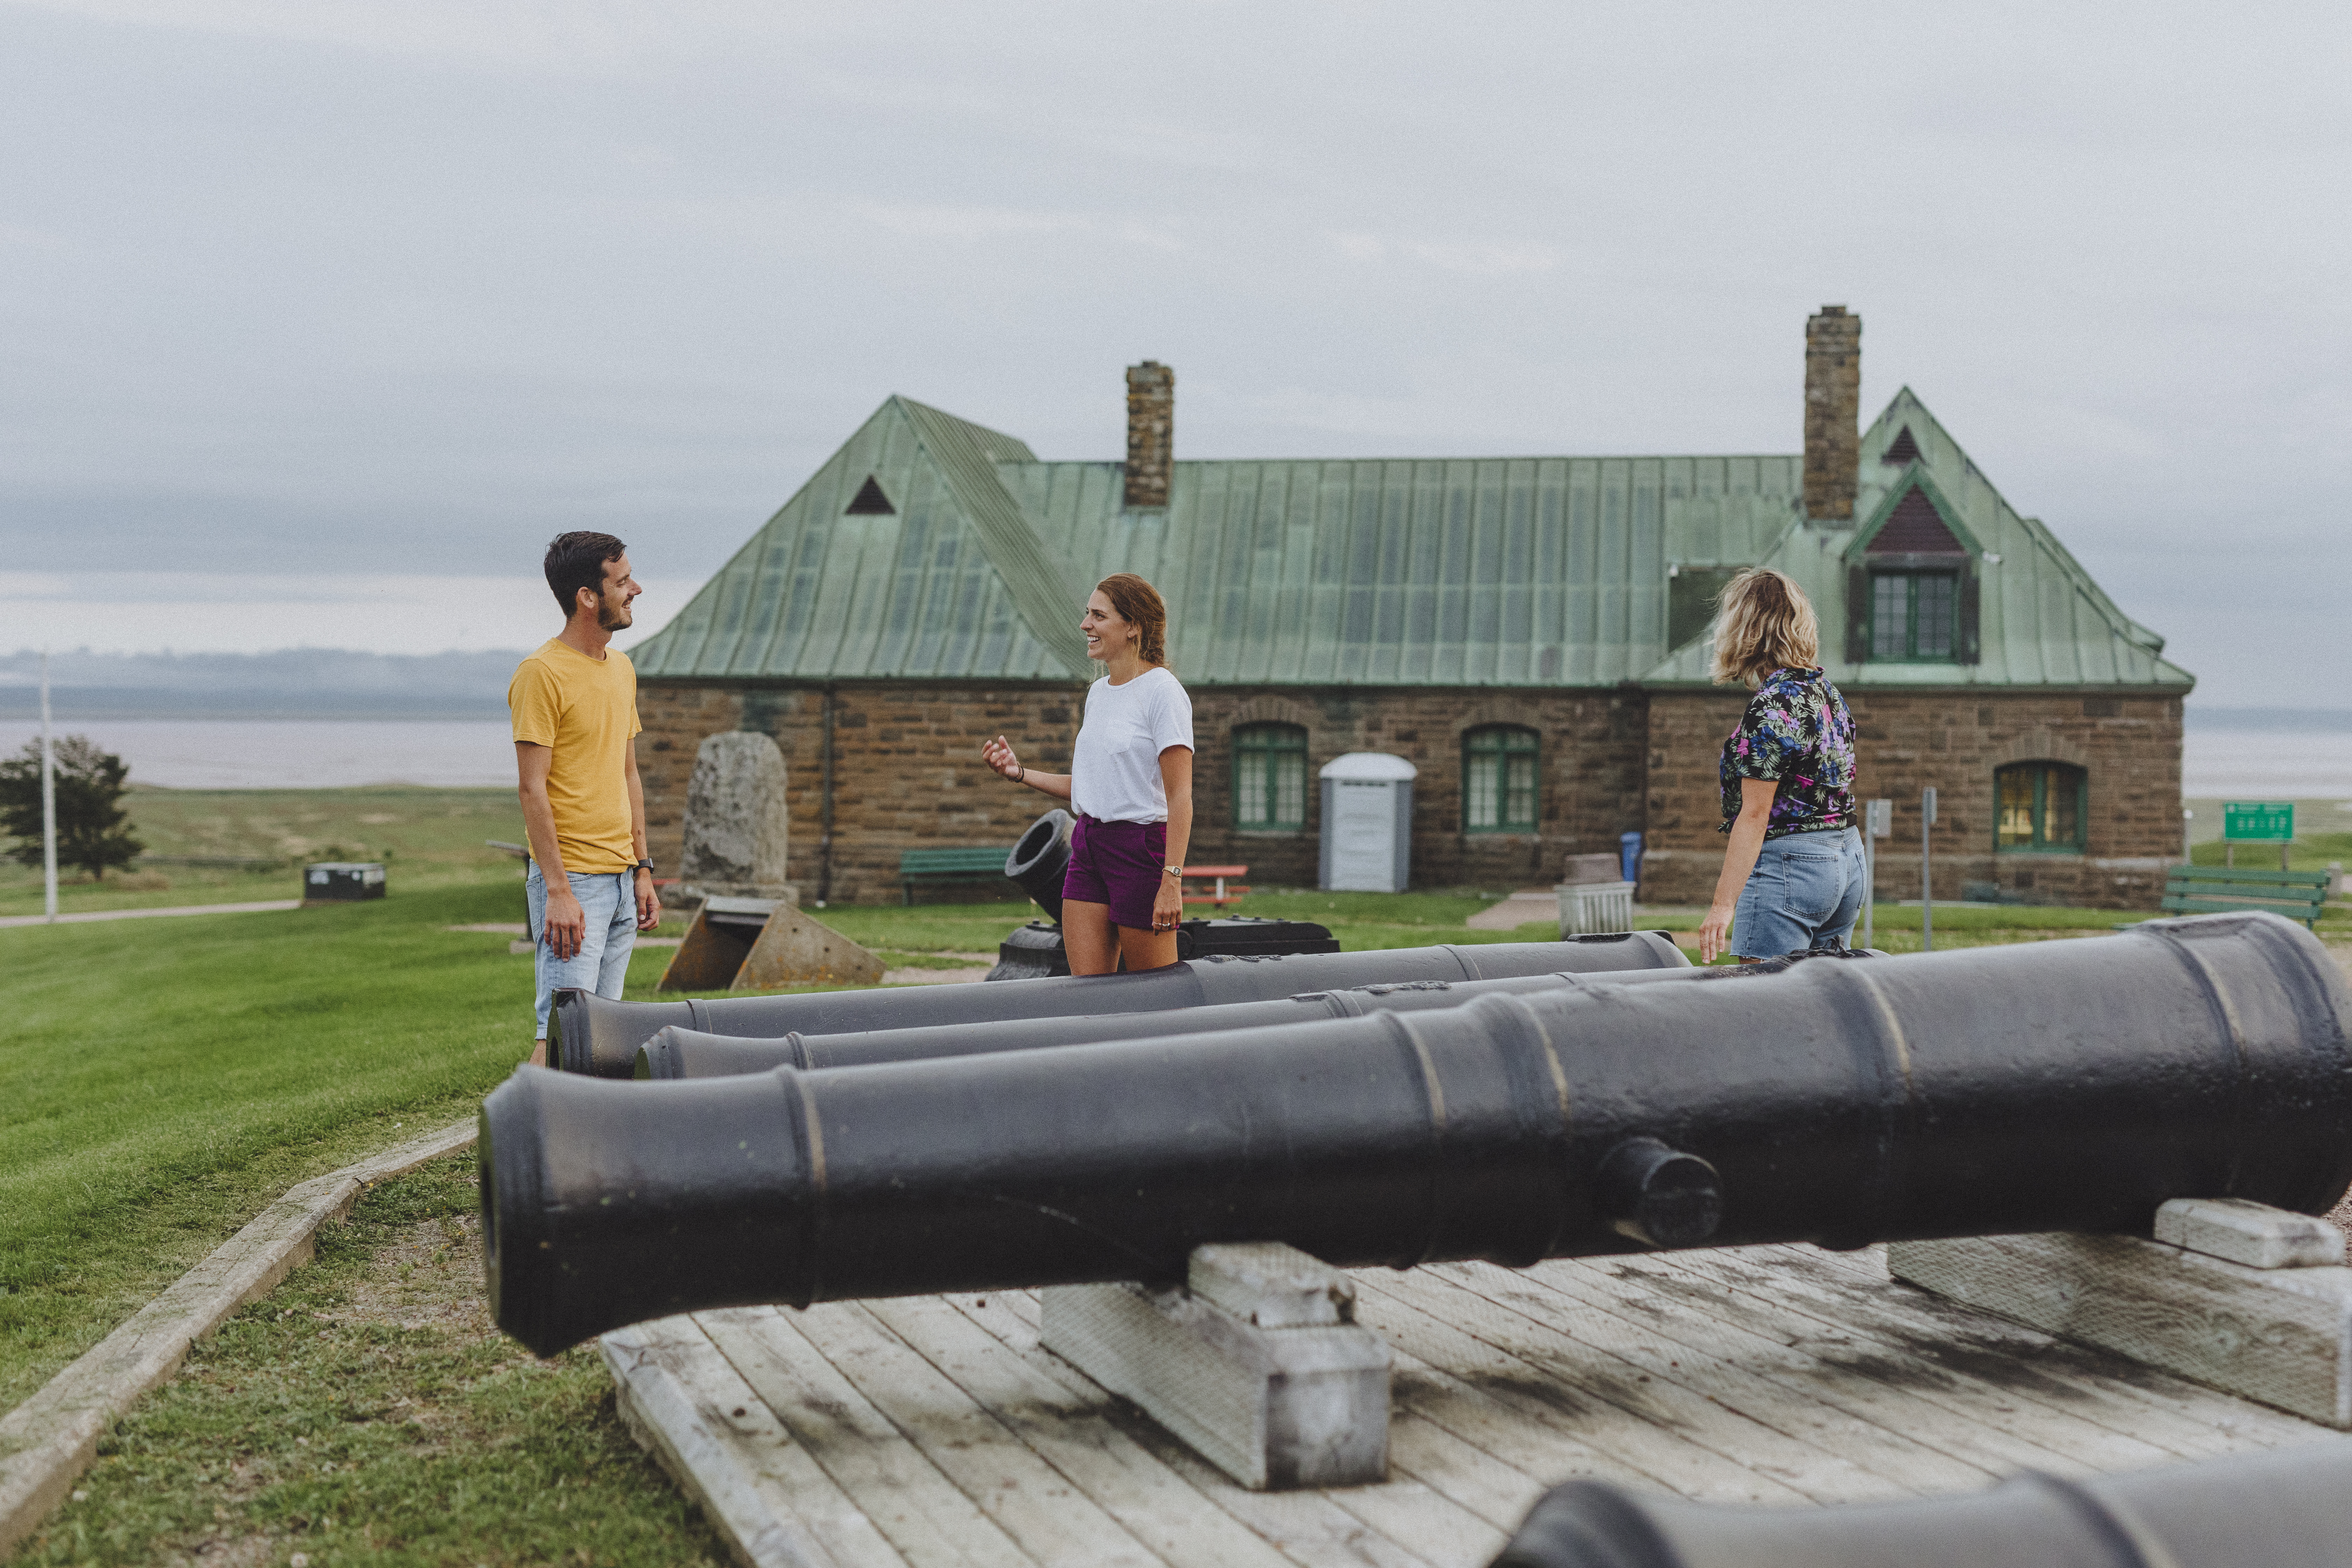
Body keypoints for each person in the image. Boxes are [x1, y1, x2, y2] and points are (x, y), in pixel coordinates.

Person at [982, 574, 1194, 973]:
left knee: (1156, 997)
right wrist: (1019, 772)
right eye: (1087, 614)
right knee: (1088, 995)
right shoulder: (1098, 694)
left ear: (1133, 627)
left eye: (1098, 615)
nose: (1085, 625)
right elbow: (1090, 789)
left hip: (1141, 850)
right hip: (1088, 846)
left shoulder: (1163, 693)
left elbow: (1180, 796)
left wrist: (1172, 880)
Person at [510, 531, 661, 1065]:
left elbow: (627, 774)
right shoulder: (541, 675)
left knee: (601, 1037)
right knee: (559, 1037)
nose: (635, 589)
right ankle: (528, 1143)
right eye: (622, 582)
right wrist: (557, 890)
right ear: (587, 597)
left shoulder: (621, 669)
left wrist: (641, 868)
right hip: (573, 884)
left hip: (621, 880)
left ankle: (590, 1139)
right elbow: (532, 789)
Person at [1696, 568, 1863, 964]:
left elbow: (1755, 815)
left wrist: (1722, 906)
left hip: (1792, 869)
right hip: (1847, 861)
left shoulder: (1770, 707)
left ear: (1745, 628)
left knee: (1765, 1012)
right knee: (1821, 1005)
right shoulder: (1827, 693)